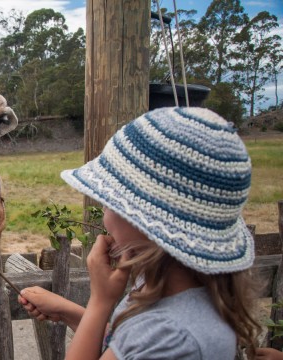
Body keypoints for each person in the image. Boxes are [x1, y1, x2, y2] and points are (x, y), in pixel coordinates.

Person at [19, 107, 263, 359]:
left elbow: (140, 342)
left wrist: (99, 302)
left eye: (108, 202)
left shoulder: (170, 336)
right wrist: (68, 311)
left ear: (141, 221)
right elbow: (124, 346)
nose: (103, 211)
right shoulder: (184, 297)